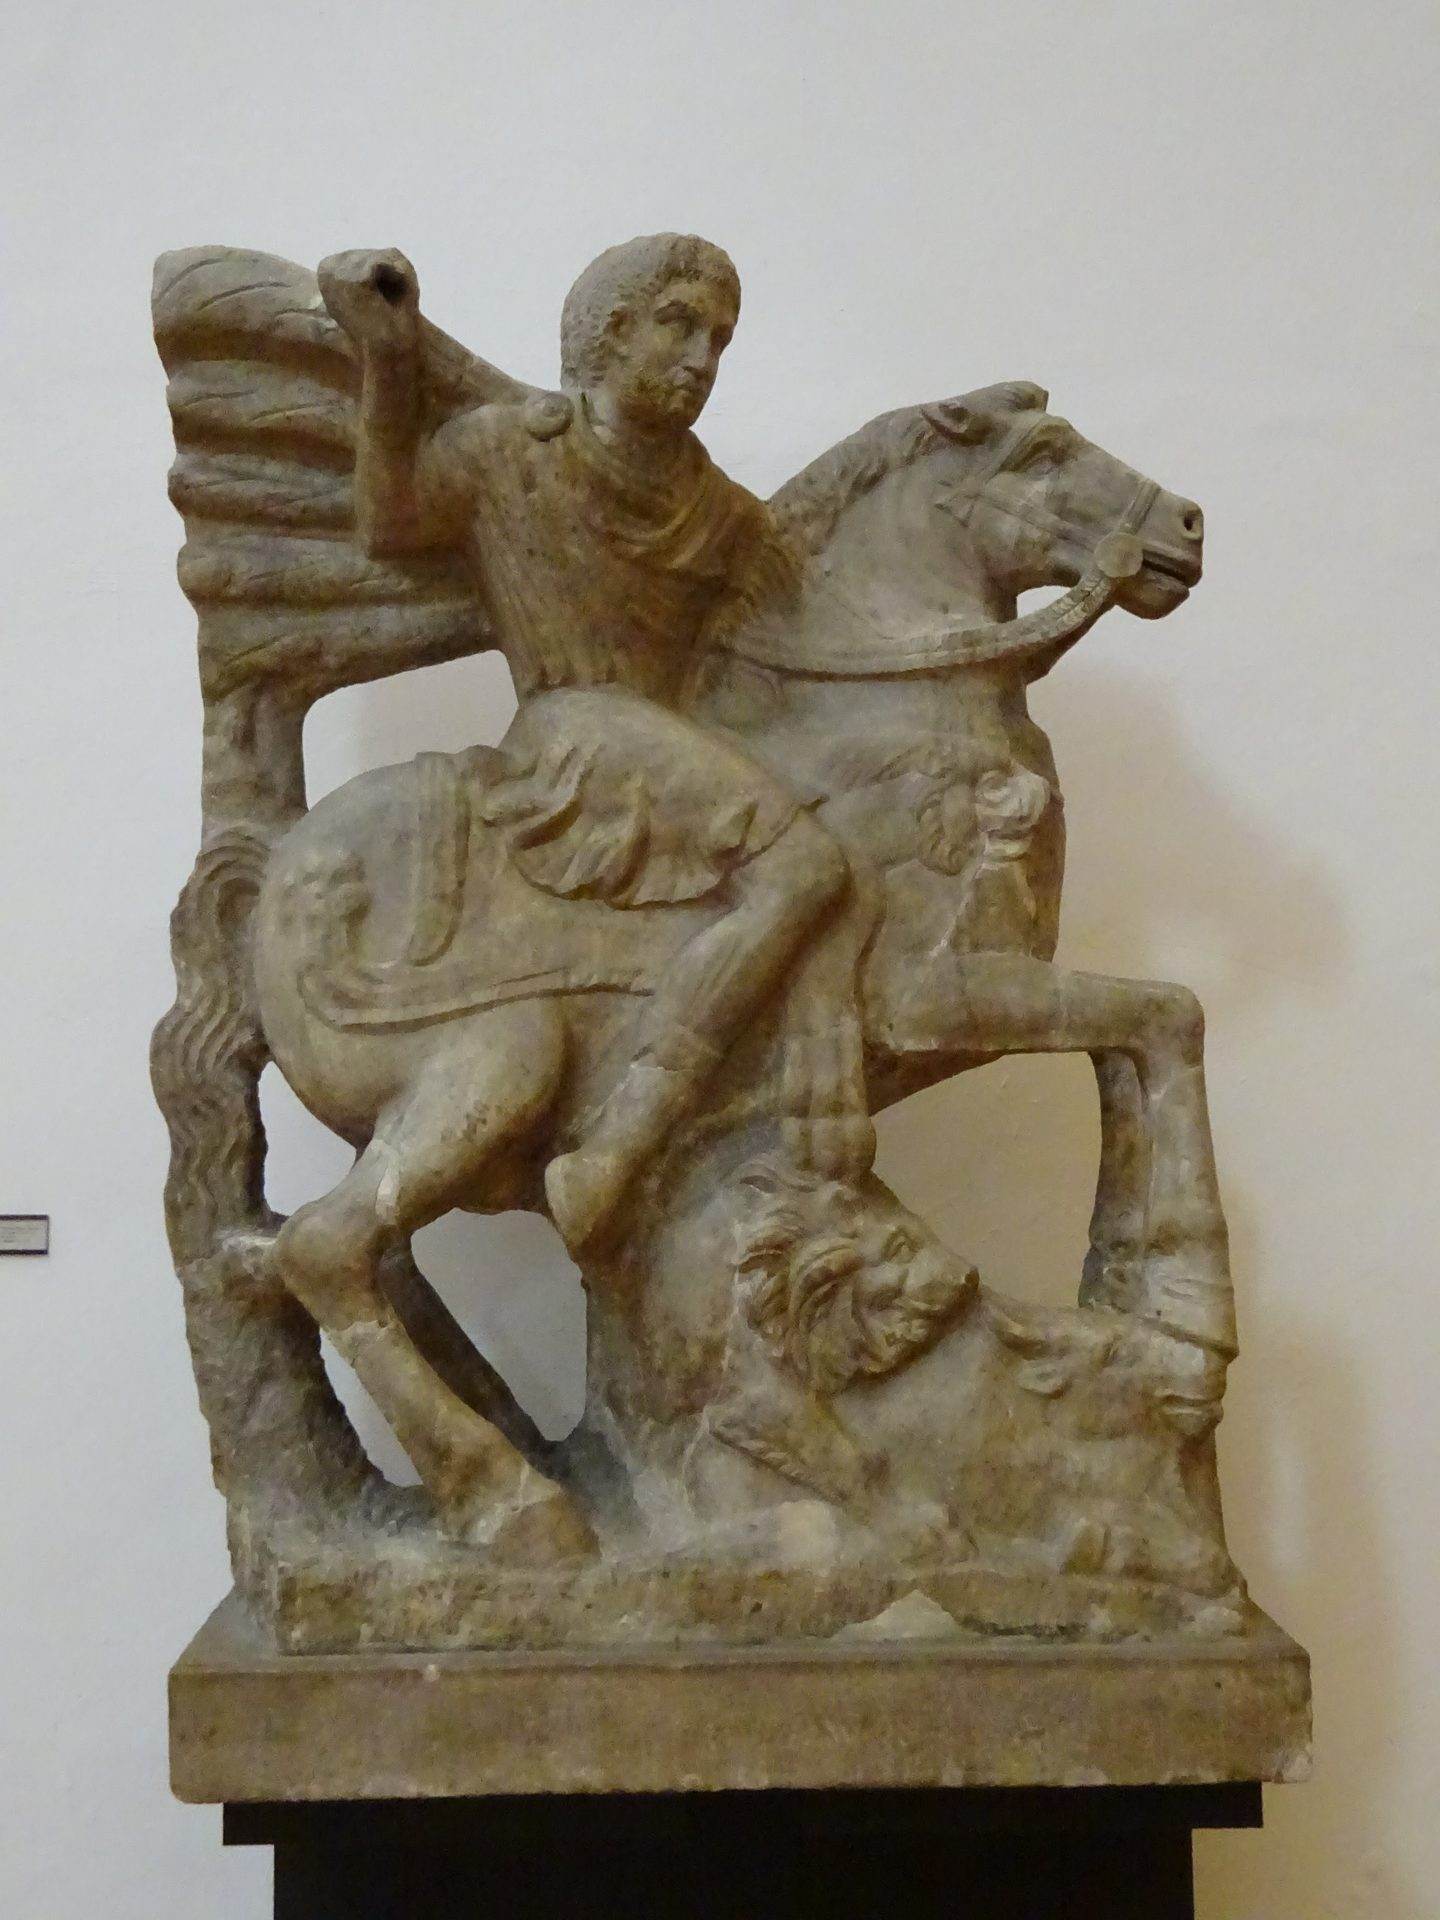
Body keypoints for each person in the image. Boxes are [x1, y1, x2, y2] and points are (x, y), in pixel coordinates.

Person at [319, 232, 873, 1252]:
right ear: (610, 334)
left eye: (720, 339)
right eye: (680, 327)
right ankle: (619, 1144)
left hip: (670, 744)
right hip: (573, 735)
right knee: (803, 868)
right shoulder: (507, 450)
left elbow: (783, 652)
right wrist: (388, 361)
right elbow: (389, 524)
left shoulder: (719, 511)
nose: (703, 359)